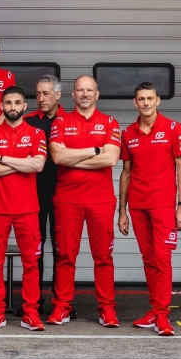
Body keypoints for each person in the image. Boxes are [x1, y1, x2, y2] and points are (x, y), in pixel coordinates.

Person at [48, 75, 121, 327]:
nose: (85, 94)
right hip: (67, 199)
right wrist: (94, 151)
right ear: (73, 94)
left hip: (101, 200)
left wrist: (73, 158)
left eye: (90, 90)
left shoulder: (110, 122)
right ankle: (62, 307)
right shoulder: (60, 121)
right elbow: (58, 157)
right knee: (65, 256)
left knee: (103, 257)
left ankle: (107, 309)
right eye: (80, 90)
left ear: (97, 94)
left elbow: (111, 159)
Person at [118, 82, 181, 336]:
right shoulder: (128, 133)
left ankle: (162, 314)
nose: (146, 103)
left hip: (163, 206)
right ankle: (154, 310)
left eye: (150, 98)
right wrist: (122, 211)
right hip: (138, 206)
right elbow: (126, 173)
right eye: (141, 99)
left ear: (158, 100)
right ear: (135, 102)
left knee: (162, 257)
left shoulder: (173, 127)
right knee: (148, 259)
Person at [0, 87, 47, 330]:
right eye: (8, 103)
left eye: (17, 102)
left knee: (31, 262)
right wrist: (22, 163)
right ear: (2, 106)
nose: (12, 107)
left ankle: (30, 312)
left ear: (24, 106)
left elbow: (38, 165)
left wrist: (3, 158)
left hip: (27, 208)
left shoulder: (37, 133)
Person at [24, 75, 66, 315]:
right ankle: (34, 301)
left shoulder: (70, 121)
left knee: (62, 251)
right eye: (37, 94)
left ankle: (62, 303)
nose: (40, 98)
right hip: (34, 195)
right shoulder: (28, 121)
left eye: (46, 94)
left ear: (57, 95)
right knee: (35, 249)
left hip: (64, 195)